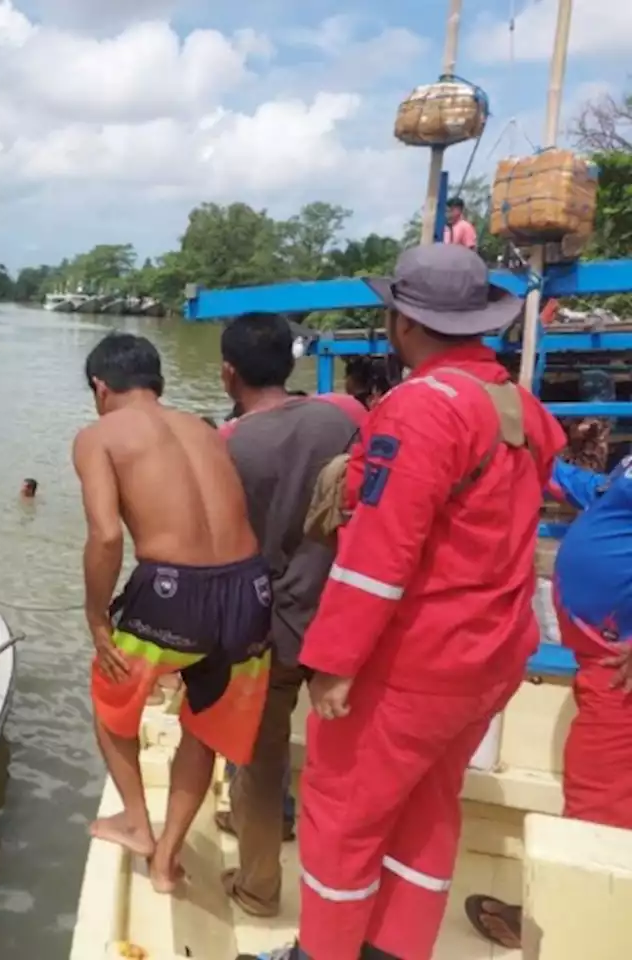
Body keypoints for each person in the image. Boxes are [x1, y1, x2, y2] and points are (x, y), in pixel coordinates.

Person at [251, 244, 566, 960]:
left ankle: (322, 952)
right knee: (428, 811)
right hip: (490, 653)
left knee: (342, 818)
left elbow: (378, 556)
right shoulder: (520, 406)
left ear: (404, 321)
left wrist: (333, 661)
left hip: (414, 661)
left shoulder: (418, 410)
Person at [74, 332, 272, 895]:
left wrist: (95, 618)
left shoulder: (98, 436)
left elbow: (106, 535)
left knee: (112, 700)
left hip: (171, 591)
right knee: (203, 725)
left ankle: (137, 823)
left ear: (99, 387)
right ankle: (167, 860)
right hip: (250, 591)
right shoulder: (205, 429)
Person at [213, 313, 363, 919]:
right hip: (345, 618)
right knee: (345, 757)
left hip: (268, 627)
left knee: (258, 757)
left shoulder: (229, 446)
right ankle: (341, 885)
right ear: (293, 362)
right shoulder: (346, 418)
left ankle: (257, 887)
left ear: (227, 373)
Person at [464, 452, 632, 948]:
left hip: (618, 671)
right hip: (601, 657)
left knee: (598, 794)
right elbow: (605, 495)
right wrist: (539, 462)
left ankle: (569, 926)